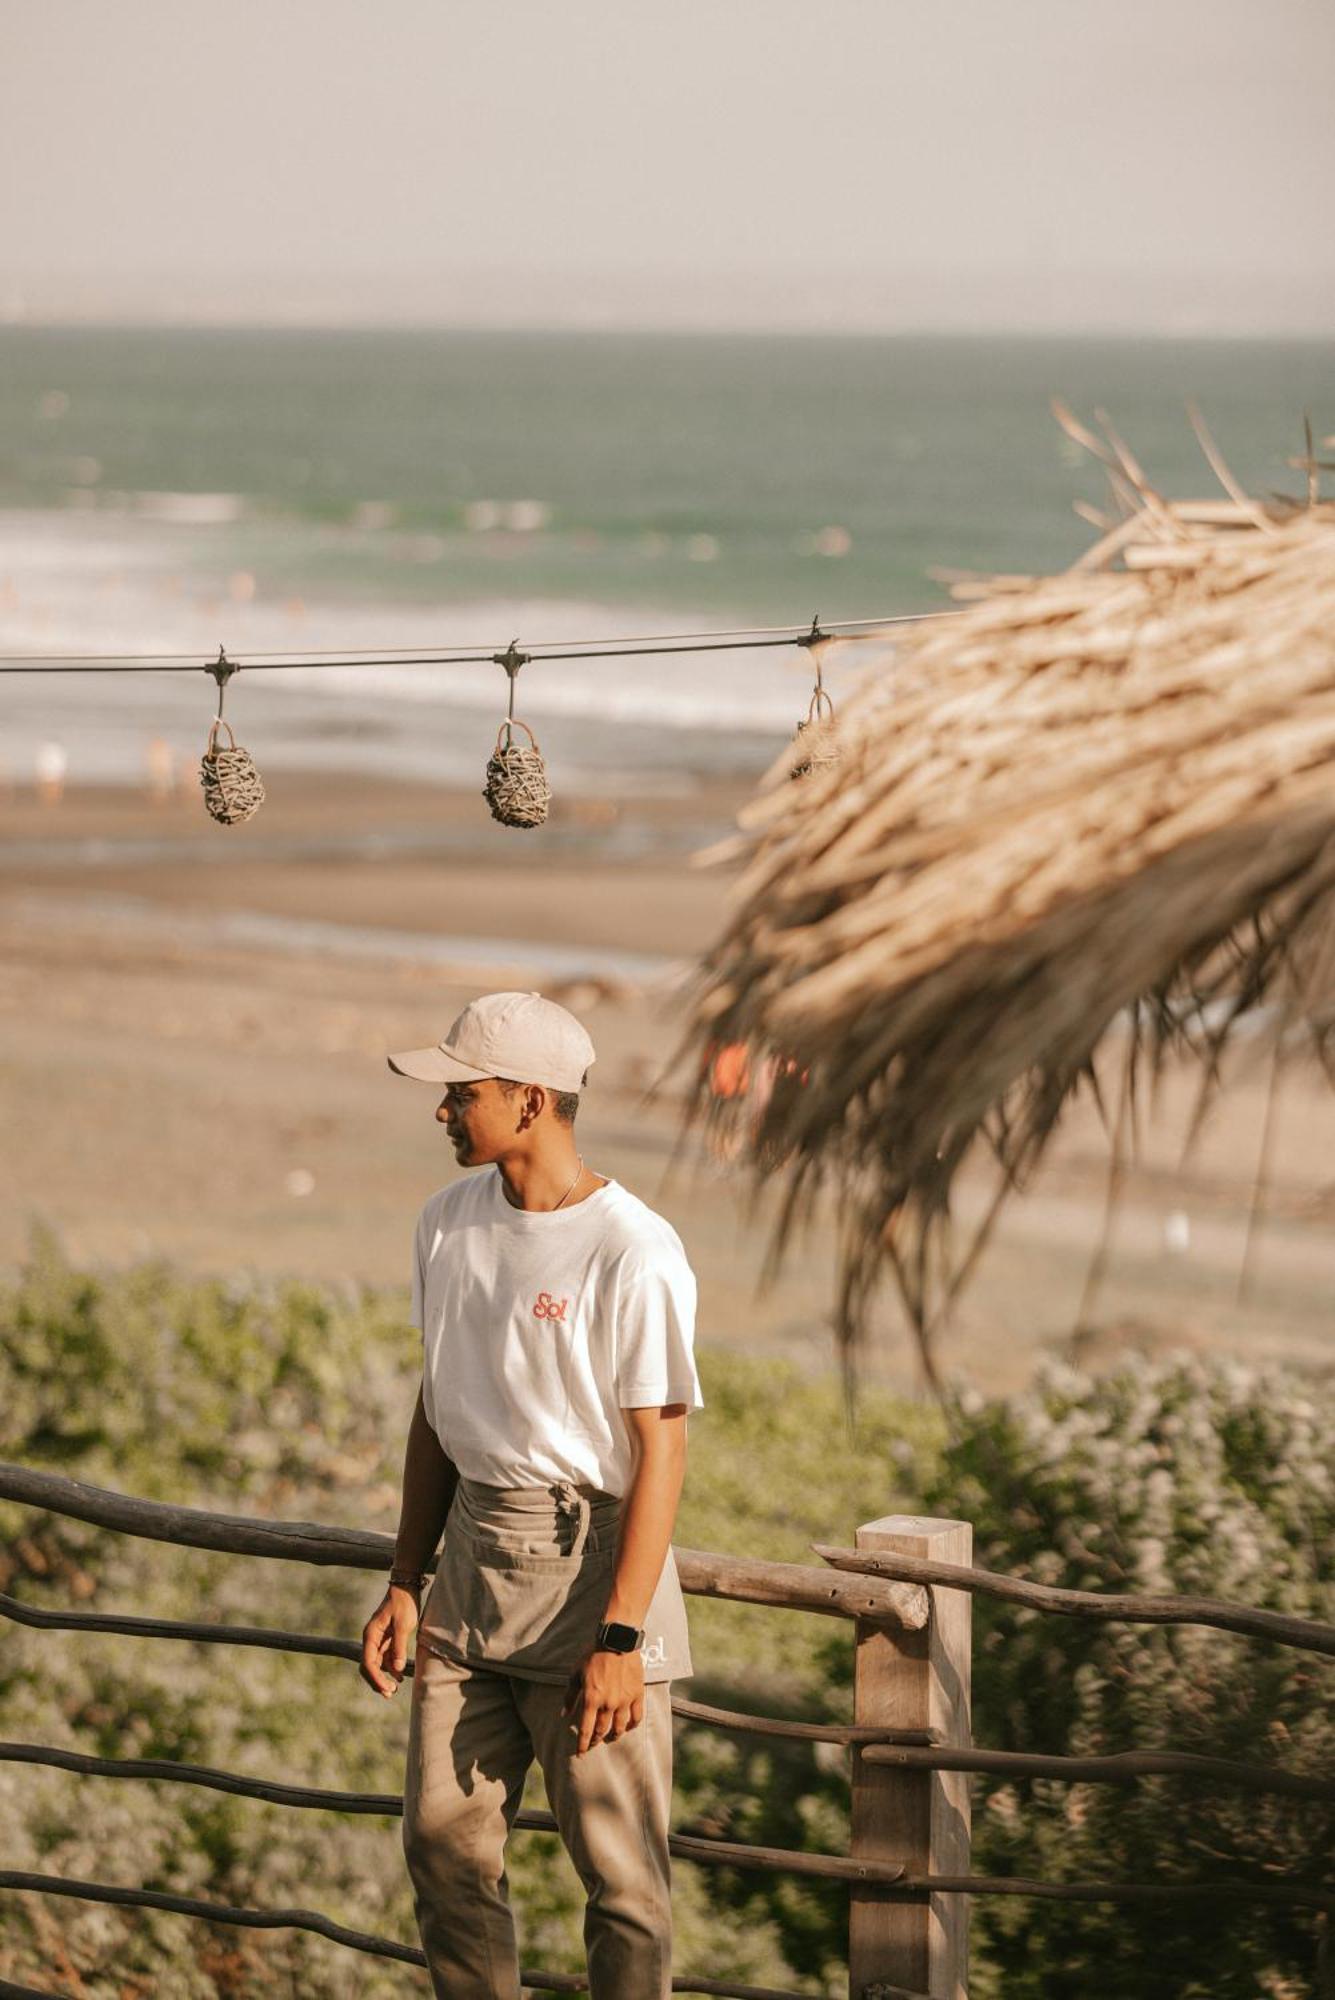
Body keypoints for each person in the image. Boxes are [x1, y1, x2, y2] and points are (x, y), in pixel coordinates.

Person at [360, 988, 704, 2000]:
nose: (442, 1110)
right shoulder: (443, 1224)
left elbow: (662, 1452)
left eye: (461, 1092)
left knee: (622, 1877)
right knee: (442, 1843)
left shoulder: (631, 1247)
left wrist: (622, 1638)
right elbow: (436, 1408)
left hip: (591, 1564)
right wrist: (403, 1576)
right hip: (471, 1561)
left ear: (531, 1098)